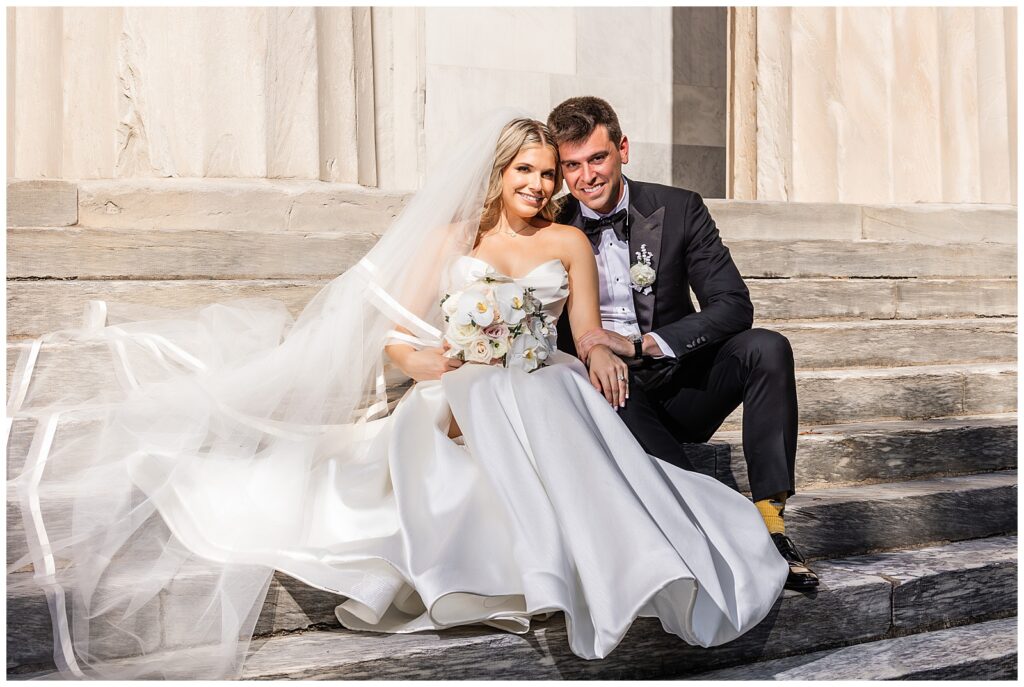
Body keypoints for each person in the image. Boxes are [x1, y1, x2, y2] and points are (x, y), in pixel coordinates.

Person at [7, 112, 787, 680]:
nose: (542, 184)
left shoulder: (567, 241)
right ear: (500, 173)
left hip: (541, 377)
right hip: (457, 382)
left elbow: (583, 330)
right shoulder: (454, 242)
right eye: (529, 171)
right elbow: (395, 335)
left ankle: (606, 561)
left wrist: (600, 351)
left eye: (550, 174)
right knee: (485, 401)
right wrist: (432, 365)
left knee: (554, 393)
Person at [546, 96, 819, 591]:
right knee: (612, 392)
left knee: (768, 347)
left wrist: (642, 343)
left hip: (683, 380)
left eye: (598, 158)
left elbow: (733, 304)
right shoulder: (550, 229)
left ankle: (771, 522)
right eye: (572, 165)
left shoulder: (678, 206)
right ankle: (705, 534)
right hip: (610, 393)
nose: (587, 176)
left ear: (623, 148)